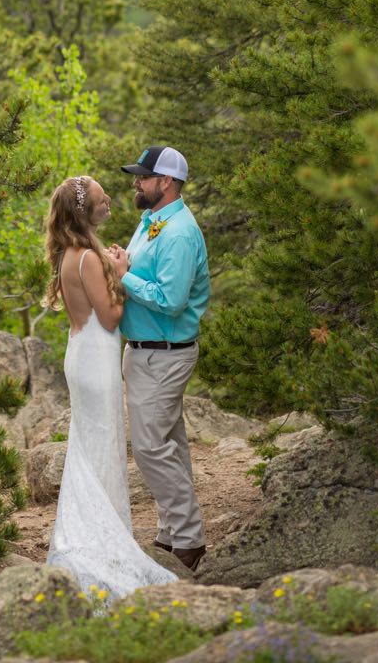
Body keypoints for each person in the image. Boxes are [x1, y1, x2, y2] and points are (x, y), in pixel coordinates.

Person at [43, 174, 177, 598]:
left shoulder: (71, 253)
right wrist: (120, 272)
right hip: (96, 357)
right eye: (103, 200)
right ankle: (99, 541)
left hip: (83, 354)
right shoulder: (85, 256)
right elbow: (111, 317)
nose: (110, 204)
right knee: (100, 444)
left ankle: (95, 530)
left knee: (91, 445)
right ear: (85, 211)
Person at [107, 146, 210, 572]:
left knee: (150, 448)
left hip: (165, 354)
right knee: (170, 445)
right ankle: (173, 533)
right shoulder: (151, 221)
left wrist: (122, 275)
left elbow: (171, 300)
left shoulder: (180, 232)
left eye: (143, 177)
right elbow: (141, 272)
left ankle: (188, 538)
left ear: (165, 182)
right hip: (145, 352)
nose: (136, 182)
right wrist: (124, 262)